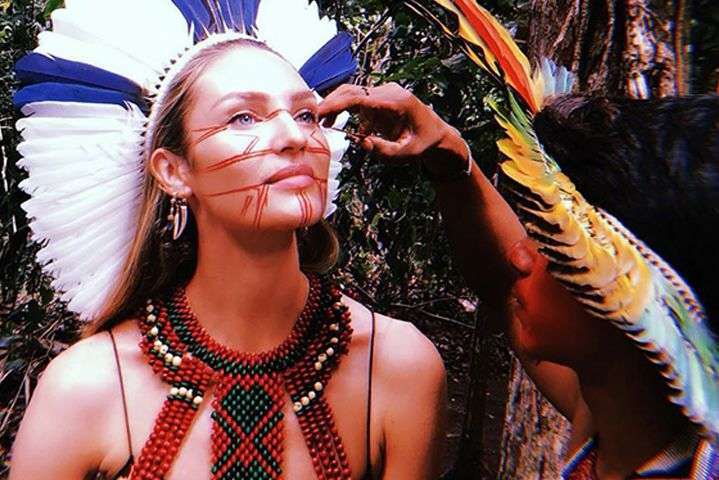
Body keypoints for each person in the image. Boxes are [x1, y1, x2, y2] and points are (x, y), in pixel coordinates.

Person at [8, 1, 446, 479]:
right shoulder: (84, 389)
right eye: (243, 118)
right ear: (173, 171)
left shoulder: (399, 365)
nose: (294, 135)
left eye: (306, 114)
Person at [318, 81, 719, 479]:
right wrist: (444, 148)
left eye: (555, 239)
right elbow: (503, 283)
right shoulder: (620, 411)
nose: (520, 254)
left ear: (640, 304)